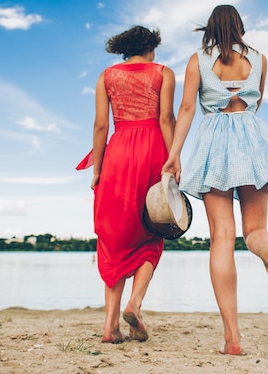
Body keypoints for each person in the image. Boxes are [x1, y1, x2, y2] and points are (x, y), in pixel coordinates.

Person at [162, 5, 268, 355]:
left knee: (222, 238)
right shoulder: (260, 59)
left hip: (214, 141)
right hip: (253, 140)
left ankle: (232, 339)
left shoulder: (197, 60)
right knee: (254, 230)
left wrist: (175, 154)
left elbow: (188, 109)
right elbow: (256, 104)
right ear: (240, 27)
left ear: (208, 28)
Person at [76, 25, 176, 344]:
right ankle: (135, 305)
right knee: (152, 231)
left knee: (114, 240)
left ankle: (110, 327)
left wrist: (98, 170)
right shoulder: (163, 73)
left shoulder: (107, 76)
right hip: (153, 151)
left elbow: (101, 125)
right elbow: (165, 119)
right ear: (150, 46)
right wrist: (174, 160)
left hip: (118, 153)